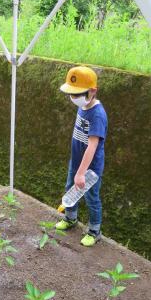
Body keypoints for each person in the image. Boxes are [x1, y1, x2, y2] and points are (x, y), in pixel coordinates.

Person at [56, 66, 108, 247]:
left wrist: (81, 173)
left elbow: (92, 145)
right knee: (70, 188)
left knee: (91, 197)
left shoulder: (98, 115)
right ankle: (71, 218)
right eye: (71, 94)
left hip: (91, 168)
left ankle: (94, 231)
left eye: (77, 94)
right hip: (77, 162)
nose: (73, 98)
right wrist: (76, 170)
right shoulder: (84, 106)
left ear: (92, 91)